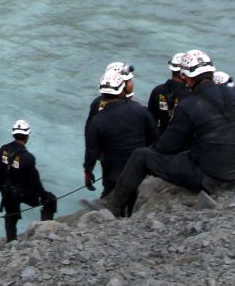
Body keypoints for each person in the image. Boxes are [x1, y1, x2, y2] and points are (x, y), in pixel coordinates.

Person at [87, 50, 235, 217]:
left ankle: (113, 204)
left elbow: (166, 147)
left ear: (187, 78)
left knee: (141, 155)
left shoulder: (189, 105)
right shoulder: (232, 92)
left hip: (210, 177)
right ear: (212, 72)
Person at [84, 63, 157, 215]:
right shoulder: (139, 110)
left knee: (111, 197)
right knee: (133, 201)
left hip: (111, 170)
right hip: (139, 169)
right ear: (122, 88)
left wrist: (88, 171)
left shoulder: (97, 119)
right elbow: (154, 136)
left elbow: (91, 147)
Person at [0, 120, 57, 242]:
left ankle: (10, 241)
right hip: (22, 192)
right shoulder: (28, 158)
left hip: (7, 190)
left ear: (13, 134)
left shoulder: (3, 149)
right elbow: (35, 181)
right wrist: (44, 195)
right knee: (50, 201)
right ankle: (44, 232)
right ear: (27, 136)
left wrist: (3, 187)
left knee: (10, 216)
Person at [84, 61, 136, 135]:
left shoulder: (98, 103)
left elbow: (89, 132)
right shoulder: (135, 109)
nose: (132, 83)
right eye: (129, 81)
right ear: (121, 84)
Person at [147, 52, 191, 134]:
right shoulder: (190, 94)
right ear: (183, 73)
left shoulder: (157, 91)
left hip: (160, 139)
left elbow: (150, 122)